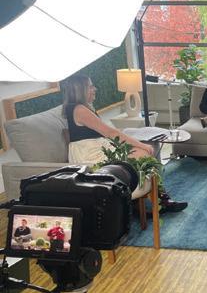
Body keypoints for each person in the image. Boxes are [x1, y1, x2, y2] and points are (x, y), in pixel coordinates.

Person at [62, 74, 187, 212]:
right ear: (80, 90)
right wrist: (141, 144)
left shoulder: (79, 108)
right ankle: (157, 200)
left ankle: (153, 199)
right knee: (143, 154)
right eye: (90, 87)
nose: (94, 89)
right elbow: (110, 133)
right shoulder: (80, 110)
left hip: (95, 148)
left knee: (142, 154)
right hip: (90, 155)